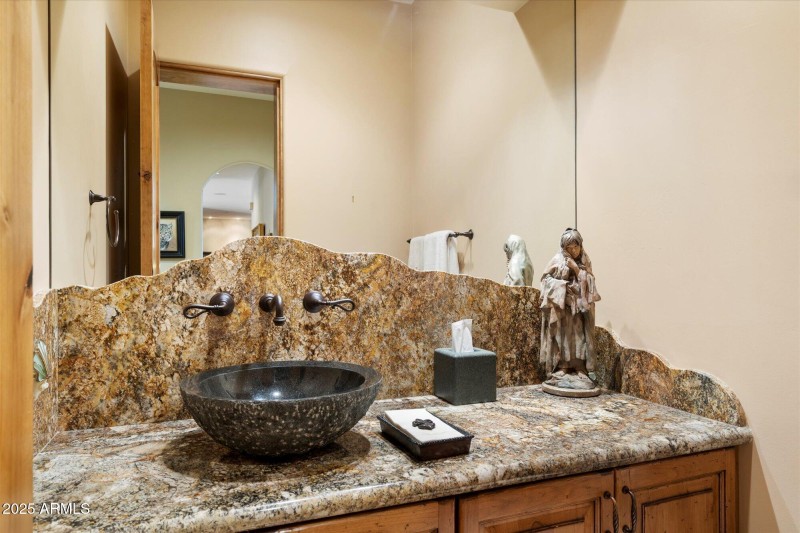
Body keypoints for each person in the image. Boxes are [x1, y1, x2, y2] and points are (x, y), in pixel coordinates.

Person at [539, 228, 600, 390]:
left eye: (576, 247)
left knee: (579, 337)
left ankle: (580, 368)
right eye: (569, 248)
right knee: (563, 337)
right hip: (563, 308)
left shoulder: (585, 261)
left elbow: (590, 283)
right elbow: (545, 280)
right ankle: (563, 366)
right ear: (563, 248)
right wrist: (562, 285)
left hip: (579, 310)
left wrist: (575, 268)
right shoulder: (557, 259)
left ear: (580, 246)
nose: (573, 251)